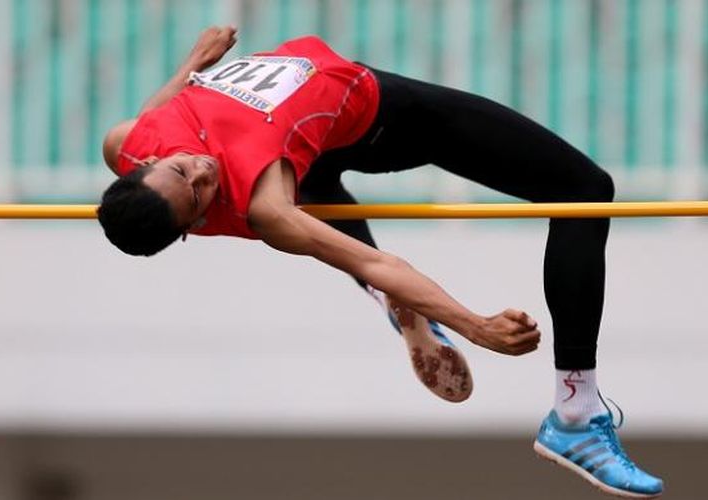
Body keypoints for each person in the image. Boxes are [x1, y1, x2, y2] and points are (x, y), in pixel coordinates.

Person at [97, 26, 662, 498]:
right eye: (196, 194)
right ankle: (575, 414)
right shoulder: (265, 201)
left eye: (177, 170)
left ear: (143, 162)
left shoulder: (130, 142)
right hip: (379, 120)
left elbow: (155, 116)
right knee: (585, 186)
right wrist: (475, 325)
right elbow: (379, 261)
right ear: (196, 224)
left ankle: (399, 308)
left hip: (314, 145)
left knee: (312, 174)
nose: (200, 171)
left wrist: (193, 65)